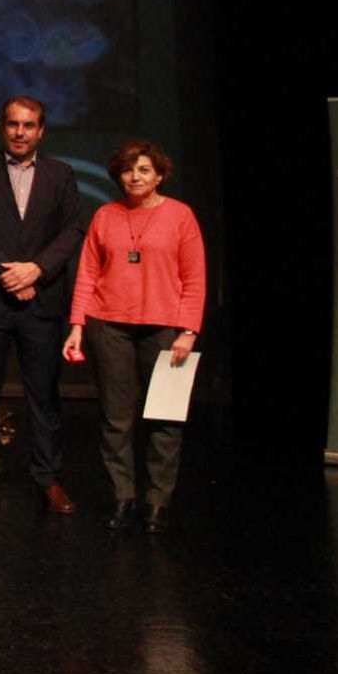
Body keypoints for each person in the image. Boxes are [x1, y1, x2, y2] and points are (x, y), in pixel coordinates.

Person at [62, 140, 205, 534]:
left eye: (144, 169)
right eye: (128, 170)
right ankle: (122, 498)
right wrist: (77, 326)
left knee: (164, 419)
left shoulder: (180, 216)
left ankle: (157, 502)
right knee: (116, 419)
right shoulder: (106, 216)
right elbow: (88, 273)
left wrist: (188, 330)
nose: (135, 177)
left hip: (164, 329)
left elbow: (194, 278)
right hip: (108, 326)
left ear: (159, 175)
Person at [0, 95, 84, 514]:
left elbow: (72, 230)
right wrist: (12, 274)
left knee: (43, 395)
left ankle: (48, 478)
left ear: (41, 131)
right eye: (13, 124)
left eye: (29, 125)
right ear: (2, 127)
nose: (20, 132)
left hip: (41, 300)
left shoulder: (61, 174)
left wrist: (37, 270)